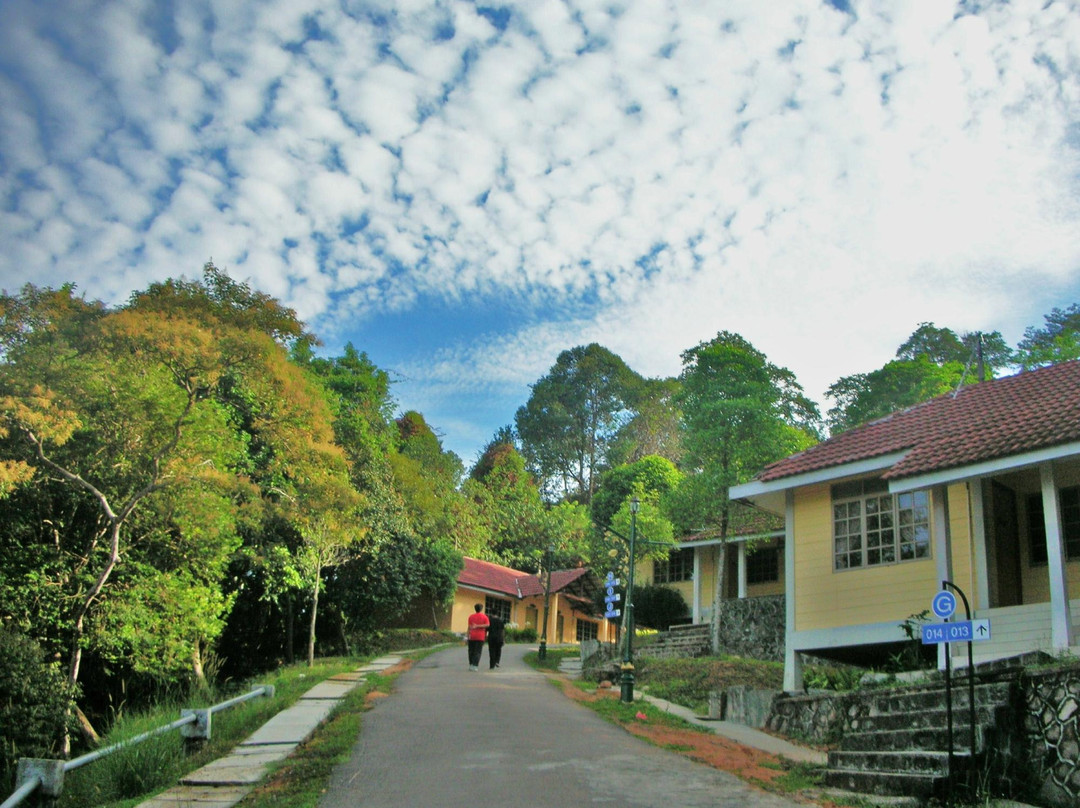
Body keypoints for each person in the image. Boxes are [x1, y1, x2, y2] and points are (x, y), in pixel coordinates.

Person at [466, 603, 489, 671]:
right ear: (481, 609)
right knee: (478, 651)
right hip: (480, 636)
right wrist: (479, 626)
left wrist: (467, 636)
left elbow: (469, 627)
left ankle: (471, 664)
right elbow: (487, 625)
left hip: (472, 636)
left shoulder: (471, 617)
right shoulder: (485, 617)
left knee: (471, 651)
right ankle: (475, 665)